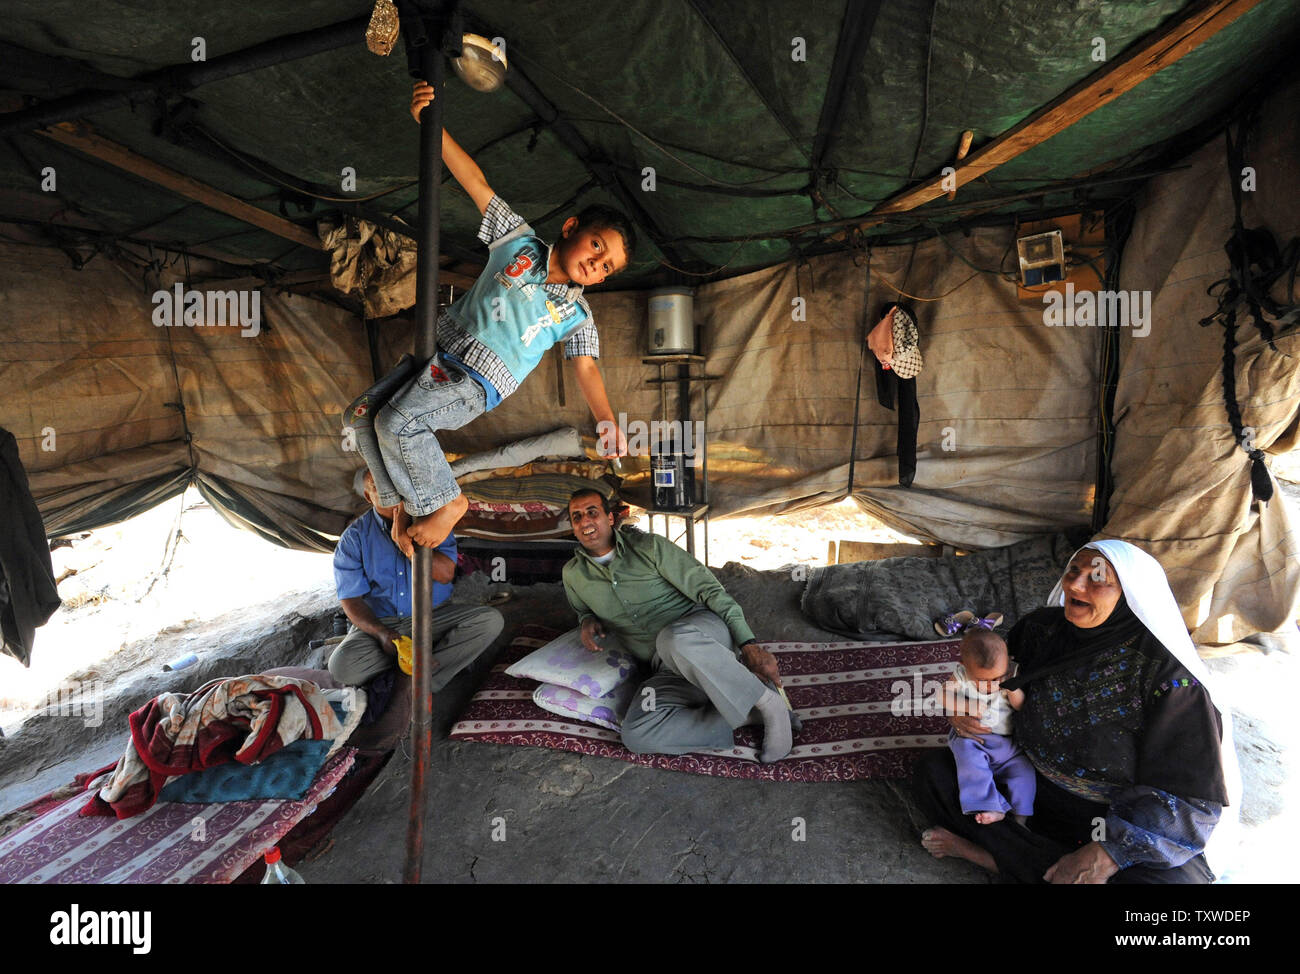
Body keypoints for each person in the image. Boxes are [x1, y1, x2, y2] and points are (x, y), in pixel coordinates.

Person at [343, 81, 633, 553]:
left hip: (476, 379)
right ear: (572, 228)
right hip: (433, 350)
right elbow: (475, 181)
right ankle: (397, 503)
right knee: (360, 415)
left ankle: (448, 502)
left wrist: (606, 419)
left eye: (607, 268)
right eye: (598, 247)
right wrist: (431, 127)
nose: (597, 265)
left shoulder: (577, 313)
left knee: (399, 423)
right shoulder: (516, 243)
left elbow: (586, 367)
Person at [913, 540, 1238, 884]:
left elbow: (1188, 801)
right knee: (934, 775)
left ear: (1129, 595)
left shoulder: (1171, 681)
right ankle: (1042, 867)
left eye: (1097, 577)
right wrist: (962, 711)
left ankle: (995, 857)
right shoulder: (1041, 630)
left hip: (1110, 816)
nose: (1074, 585)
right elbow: (987, 679)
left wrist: (1108, 853)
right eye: (1073, 570)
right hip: (1027, 786)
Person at [561, 489, 794, 762]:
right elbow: (583, 611)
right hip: (667, 668)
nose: (585, 521)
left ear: (610, 518)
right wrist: (587, 621)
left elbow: (710, 590)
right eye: (577, 517)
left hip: (703, 640)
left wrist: (749, 644)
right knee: (637, 734)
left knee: (673, 638)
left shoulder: (650, 548)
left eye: (592, 512)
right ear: (573, 527)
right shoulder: (573, 575)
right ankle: (746, 710)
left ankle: (770, 705)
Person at [329, 469, 503, 691]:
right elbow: (351, 600)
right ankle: (426, 663)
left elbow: (445, 574)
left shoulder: (431, 522)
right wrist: (383, 634)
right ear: (367, 496)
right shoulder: (353, 539)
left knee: (490, 621)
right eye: (376, 485)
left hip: (434, 616)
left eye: (389, 482)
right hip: (384, 624)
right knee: (342, 667)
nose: (386, 489)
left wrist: (409, 547)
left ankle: (417, 684)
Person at [941, 629, 1034, 825]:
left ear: (1008, 660)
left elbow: (1021, 706)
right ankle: (990, 804)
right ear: (964, 666)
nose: (992, 685)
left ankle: (1021, 817)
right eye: (983, 681)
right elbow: (943, 696)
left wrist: (1013, 690)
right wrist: (965, 706)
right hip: (973, 739)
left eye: (996, 678)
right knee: (970, 763)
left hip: (1009, 745)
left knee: (1024, 772)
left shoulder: (1012, 673)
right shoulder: (961, 676)